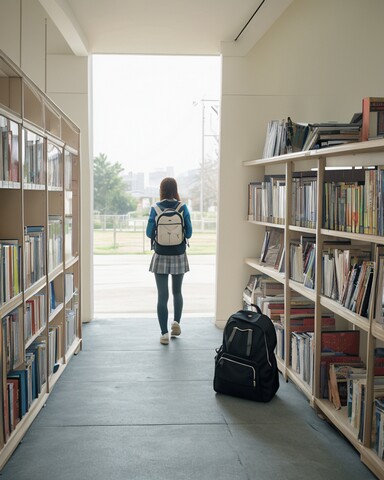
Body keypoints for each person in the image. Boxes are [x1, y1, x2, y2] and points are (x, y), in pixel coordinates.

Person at [146, 177, 193, 345]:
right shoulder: (183, 207)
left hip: (160, 254)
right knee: (177, 292)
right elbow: (188, 234)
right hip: (179, 254)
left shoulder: (155, 208)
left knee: (162, 296)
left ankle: (164, 334)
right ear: (175, 189)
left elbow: (148, 232)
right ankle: (176, 323)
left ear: (161, 190)